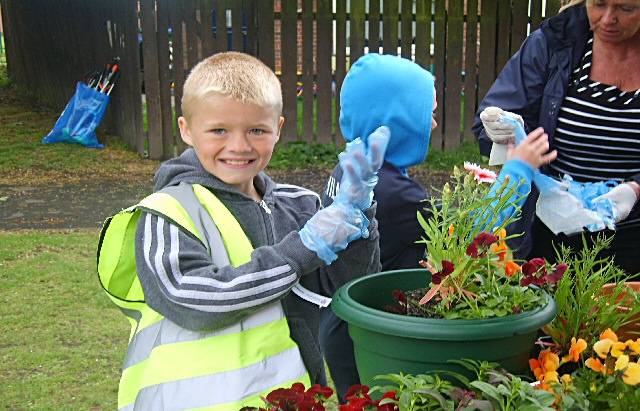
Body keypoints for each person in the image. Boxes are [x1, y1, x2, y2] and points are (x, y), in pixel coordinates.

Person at [96, 52, 388, 410]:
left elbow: (341, 288)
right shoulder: (166, 212)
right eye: (219, 130)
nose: (239, 146)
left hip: (292, 400)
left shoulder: (299, 204)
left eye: (256, 130)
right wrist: (301, 250)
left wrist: (357, 218)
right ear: (186, 129)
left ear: (278, 128)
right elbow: (192, 302)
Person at [320, 53, 557, 400]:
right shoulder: (388, 192)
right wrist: (518, 171)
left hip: (347, 324)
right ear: (397, 121)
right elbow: (475, 235)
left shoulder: (353, 168)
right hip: (372, 338)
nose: (433, 125)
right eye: (427, 114)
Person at [472, 0, 640, 275]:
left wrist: (637, 187)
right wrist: (500, 132)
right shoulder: (556, 43)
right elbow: (497, 114)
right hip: (555, 229)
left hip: (634, 235)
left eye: (625, 9)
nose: (608, 18)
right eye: (599, 4)